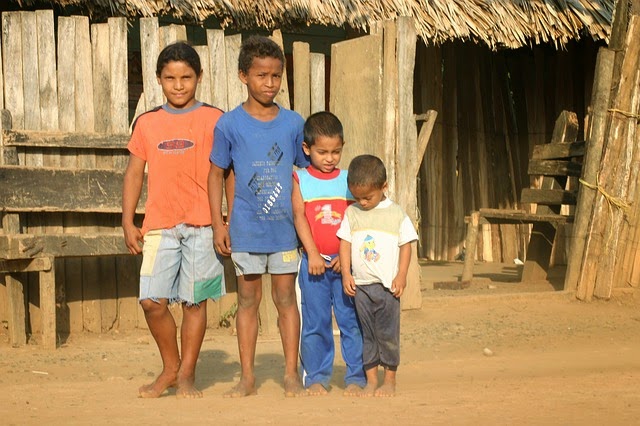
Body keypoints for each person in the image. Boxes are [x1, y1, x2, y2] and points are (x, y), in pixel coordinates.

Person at [122, 41, 226, 399]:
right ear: (158, 80)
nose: (178, 85)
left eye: (186, 77)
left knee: (195, 302)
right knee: (152, 300)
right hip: (159, 227)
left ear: (199, 77)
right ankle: (170, 366)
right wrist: (127, 221)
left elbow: (226, 171)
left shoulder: (215, 119)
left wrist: (225, 221)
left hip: (203, 226)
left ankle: (186, 375)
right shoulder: (147, 123)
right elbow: (134, 174)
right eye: (170, 78)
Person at [208, 35, 309, 398]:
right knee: (248, 302)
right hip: (246, 230)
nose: (269, 83)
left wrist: (309, 228)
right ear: (243, 76)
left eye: (276, 76)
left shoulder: (294, 124)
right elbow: (216, 173)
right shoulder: (229, 125)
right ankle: (247, 378)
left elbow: (305, 175)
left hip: (284, 233)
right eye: (261, 75)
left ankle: (290, 374)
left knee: (286, 300)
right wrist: (219, 223)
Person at [292, 111, 366, 396]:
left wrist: (345, 259)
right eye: (322, 152)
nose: (330, 158)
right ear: (307, 149)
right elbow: (299, 217)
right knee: (315, 322)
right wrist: (312, 253)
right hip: (314, 266)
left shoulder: (350, 180)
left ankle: (356, 376)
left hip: (344, 267)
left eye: (336, 151)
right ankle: (317, 377)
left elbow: (358, 220)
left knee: (351, 322)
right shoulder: (300, 180)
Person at [337, 154, 418, 397]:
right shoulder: (352, 213)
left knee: (388, 335)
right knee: (368, 335)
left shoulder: (396, 214)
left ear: (384, 187)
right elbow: (344, 243)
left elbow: (407, 245)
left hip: (387, 289)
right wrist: (346, 275)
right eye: (357, 197)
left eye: (368, 197)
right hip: (361, 288)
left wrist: (402, 275)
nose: (362, 202)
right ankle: (371, 380)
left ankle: (389, 380)